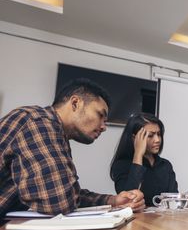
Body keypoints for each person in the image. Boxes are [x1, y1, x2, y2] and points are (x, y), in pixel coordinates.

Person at [0, 78, 145, 217]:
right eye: (100, 115)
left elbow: (69, 193)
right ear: (75, 103)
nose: (103, 127)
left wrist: (112, 200)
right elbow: (59, 202)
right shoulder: (38, 121)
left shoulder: (57, 134)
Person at [110, 113, 178, 207]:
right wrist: (138, 154)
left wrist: (187, 198)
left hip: (163, 219)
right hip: (136, 220)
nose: (157, 140)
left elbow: (173, 199)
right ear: (135, 138)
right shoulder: (121, 165)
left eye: (159, 134)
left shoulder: (165, 165)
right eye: (150, 136)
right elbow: (128, 199)